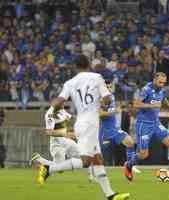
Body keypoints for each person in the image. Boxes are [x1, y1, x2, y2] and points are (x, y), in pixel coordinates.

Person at [35, 55, 129, 200]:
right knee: (86, 161)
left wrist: (52, 119)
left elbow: (58, 102)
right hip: (90, 124)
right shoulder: (97, 77)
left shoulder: (70, 82)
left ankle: (110, 195)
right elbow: (108, 98)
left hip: (81, 123)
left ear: (75, 66)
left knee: (98, 159)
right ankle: (48, 169)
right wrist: (103, 102)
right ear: (89, 64)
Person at [124, 72, 169, 181]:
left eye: (164, 83)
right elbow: (136, 104)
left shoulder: (161, 90)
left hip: (156, 123)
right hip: (144, 124)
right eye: (160, 82)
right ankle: (128, 165)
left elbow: (162, 98)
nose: (161, 85)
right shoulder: (146, 90)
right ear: (155, 79)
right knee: (143, 154)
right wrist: (151, 105)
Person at [29, 106, 96, 182]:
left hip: (66, 141)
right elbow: (49, 132)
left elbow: (71, 118)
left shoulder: (61, 110)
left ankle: (91, 178)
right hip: (57, 144)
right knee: (59, 169)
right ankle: (38, 159)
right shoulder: (49, 114)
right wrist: (66, 134)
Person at [99, 81, 137, 170]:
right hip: (105, 132)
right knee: (103, 160)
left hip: (114, 130)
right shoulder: (101, 99)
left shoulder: (112, 97)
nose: (108, 89)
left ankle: (130, 165)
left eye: (110, 87)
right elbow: (100, 114)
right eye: (106, 87)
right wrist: (114, 111)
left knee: (130, 143)